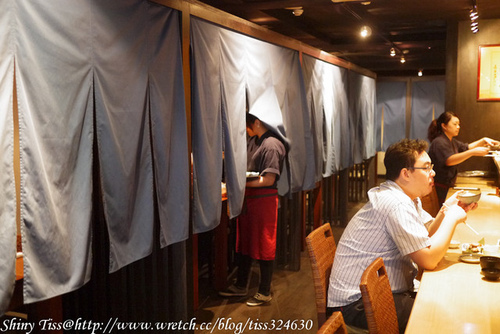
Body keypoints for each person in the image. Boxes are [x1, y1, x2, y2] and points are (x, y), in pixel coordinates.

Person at [326, 138, 477, 333]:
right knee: (438, 318)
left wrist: (447, 210)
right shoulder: (396, 203)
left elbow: (423, 235)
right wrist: (452, 219)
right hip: (355, 303)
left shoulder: (405, 197)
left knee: (445, 302)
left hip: (374, 293)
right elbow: (428, 259)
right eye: (426, 167)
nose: (433, 172)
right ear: (406, 173)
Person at [219, 113, 286, 307]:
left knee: (265, 243)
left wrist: (239, 183)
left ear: (257, 122)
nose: (246, 130)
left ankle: (264, 291)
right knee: (244, 242)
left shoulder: (272, 144)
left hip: (264, 201)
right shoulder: (253, 141)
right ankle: (241, 285)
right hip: (249, 200)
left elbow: (269, 180)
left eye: (247, 125)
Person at [428, 111, 500, 204]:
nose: (458, 127)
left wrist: (483, 140)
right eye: (455, 124)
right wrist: (473, 152)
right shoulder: (439, 142)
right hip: (440, 187)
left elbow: (466, 147)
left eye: (458, 124)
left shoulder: (451, 141)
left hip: (447, 185)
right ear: (444, 126)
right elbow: (449, 160)